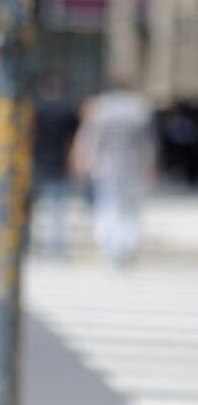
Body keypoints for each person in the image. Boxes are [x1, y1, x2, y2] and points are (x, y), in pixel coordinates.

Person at [71, 80, 157, 265]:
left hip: (106, 168)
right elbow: (148, 144)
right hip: (133, 168)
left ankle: (112, 246)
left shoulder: (101, 109)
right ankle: (125, 245)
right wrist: (150, 166)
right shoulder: (139, 109)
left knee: (108, 207)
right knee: (129, 210)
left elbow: (90, 140)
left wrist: (85, 163)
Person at [31, 72, 80, 256]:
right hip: (59, 162)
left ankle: (28, 244)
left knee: (30, 207)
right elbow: (75, 136)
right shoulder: (67, 110)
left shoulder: (37, 109)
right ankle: (56, 247)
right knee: (58, 209)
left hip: (37, 161)